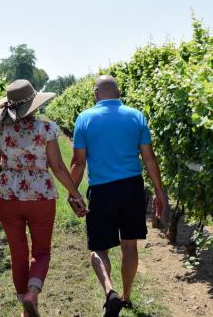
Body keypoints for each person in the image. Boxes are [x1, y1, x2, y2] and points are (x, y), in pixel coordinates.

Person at [0, 79, 86, 317]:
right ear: (33, 105)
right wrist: (75, 194)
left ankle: (24, 301)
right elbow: (58, 167)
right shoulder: (47, 129)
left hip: (8, 196)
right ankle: (33, 294)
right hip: (41, 195)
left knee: (18, 251)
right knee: (41, 250)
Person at [70, 75, 167, 317]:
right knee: (129, 244)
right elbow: (149, 157)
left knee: (99, 248)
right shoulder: (136, 116)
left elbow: (79, 162)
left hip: (103, 191)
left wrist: (73, 194)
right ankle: (126, 295)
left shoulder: (85, 118)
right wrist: (159, 191)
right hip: (132, 188)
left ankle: (109, 291)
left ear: (95, 94)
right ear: (119, 92)